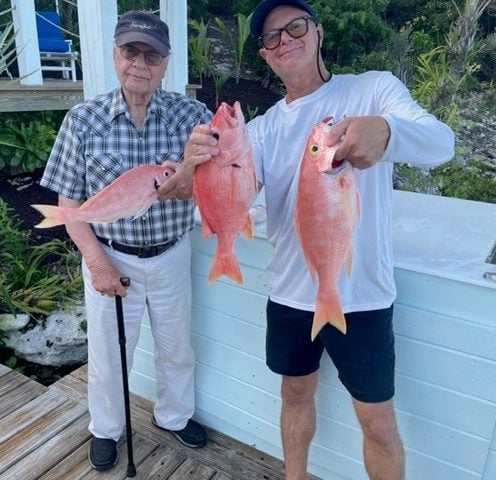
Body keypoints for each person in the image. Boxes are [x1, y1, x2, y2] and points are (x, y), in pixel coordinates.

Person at [184, 1, 455, 479]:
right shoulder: (261, 130)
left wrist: (387, 130)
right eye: (272, 37)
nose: (285, 39)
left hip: (363, 296)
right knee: (294, 394)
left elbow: (442, 143)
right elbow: (221, 193)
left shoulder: (372, 89)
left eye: (296, 26)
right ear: (266, 56)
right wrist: (196, 164)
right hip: (289, 293)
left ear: (319, 32)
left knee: (378, 422)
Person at [40, 11, 211, 472]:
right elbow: (69, 204)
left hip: (171, 254)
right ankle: (106, 429)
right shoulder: (83, 120)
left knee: (177, 347)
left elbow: (220, 178)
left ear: (166, 62)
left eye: (151, 54)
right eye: (130, 51)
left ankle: (174, 416)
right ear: (115, 55)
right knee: (109, 353)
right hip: (110, 255)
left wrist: (191, 178)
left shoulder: (193, 116)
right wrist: (97, 263)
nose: (140, 63)